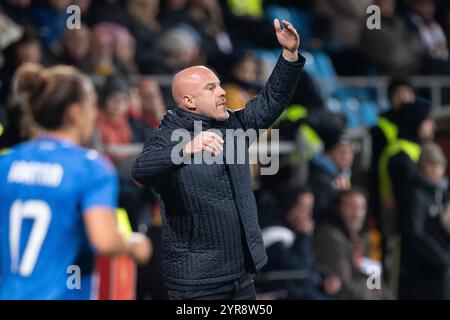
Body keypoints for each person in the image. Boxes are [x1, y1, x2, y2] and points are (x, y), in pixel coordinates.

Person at [132, 19, 303, 300]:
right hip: (197, 284)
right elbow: (141, 169)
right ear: (189, 101)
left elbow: (271, 102)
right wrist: (186, 149)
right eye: (211, 89)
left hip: (241, 276)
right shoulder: (169, 133)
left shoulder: (234, 125)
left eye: (219, 85)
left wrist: (289, 56)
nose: (222, 92)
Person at [0, 63, 152, 300]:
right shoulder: (90, 168)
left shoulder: (7, 162)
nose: (94, 113)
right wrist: (134, 246)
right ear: (74, 112)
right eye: (91, 105)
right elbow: (104, 240)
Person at [260, 187, 342, 300]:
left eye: (310, 208)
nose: (308, 214)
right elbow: (298, 269)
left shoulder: (294, 230)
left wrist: (325, 277)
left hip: (304, 290)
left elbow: (309, 265)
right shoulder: (275, 234)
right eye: (303, 207)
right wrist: (303, 236)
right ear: (290, 205)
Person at [314, 188, 390, 300]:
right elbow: (344, 287)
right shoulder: (331, 237)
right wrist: (376, 293)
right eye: (350, 207)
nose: (357, 213)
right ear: (338, 208)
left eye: (361, 208)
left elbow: (376, 282)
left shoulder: (362, 238)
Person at [399, 142, 450, 299]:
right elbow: (414, 232)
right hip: (422, 268)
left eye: (439, 165)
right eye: (431, 165)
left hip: (441, 264)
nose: (435, 170)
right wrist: (443, 259)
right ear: (422, 167)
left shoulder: (443, 191)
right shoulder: (416, 194)